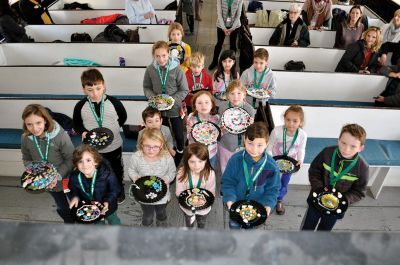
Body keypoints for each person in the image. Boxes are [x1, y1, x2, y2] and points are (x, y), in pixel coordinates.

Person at [73, 68, 127, 204]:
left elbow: (123, 117)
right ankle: (100, 191)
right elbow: (77, 124)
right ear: (84, 89)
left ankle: (119, 190)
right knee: (97, 171)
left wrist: (113, 130)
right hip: (92, 149)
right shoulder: (80, 106)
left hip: (114, 145)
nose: (95, 93)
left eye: (98, 88)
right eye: (90, 90)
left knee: (116, 169)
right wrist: (84, 131)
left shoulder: (114, 102)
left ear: (104, 86)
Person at [301, 124, 369, 231]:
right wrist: (319, 189)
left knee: (325, 230)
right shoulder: (326, 152)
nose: (346, 149)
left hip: (336, 209)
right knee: (308, 226)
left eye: (353, 146)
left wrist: (343, 199)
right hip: (316, 201)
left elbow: (359, 191)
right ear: (338, 140)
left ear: (361, 148)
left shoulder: (363, 167)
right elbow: (314, 171)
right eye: (343, 143)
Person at [221, 122, 281, 229]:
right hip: (236, 204)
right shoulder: (235, 159)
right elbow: (228, 182)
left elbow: (273, 189)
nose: (254, 149)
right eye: (250, 143)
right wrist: (230, 199)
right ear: (244, 140)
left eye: (260, 145)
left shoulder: (271, 166)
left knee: (251, 231)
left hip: (258, 207)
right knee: (234, 227)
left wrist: (268, 205)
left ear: (267, 144)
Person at [21, 104, 74, 223]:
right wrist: (38, 175)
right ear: (25, 123)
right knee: (62, 207)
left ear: (45, 120)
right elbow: (26, 158)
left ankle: (82, 225)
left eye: (38, 123)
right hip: (49, 183)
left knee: (75, 203)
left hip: (67, 179)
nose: (34, 128)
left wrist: (57, 176)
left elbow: (71, 159)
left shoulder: (60, 136)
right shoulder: (25, 138)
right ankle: (70, 224)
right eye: (29, 124)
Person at [143, 41, 189, 166]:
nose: (161, 59)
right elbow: (146, 87)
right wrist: (153, 97)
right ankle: (167, 152)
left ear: (169, 53)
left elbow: (185, 90)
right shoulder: (150, 69)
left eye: (163, 55)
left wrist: (172, 100)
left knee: (179, 135)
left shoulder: (177, 69)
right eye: (157, 56)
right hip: (158, 109)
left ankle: (180, 151)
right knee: (164, 134)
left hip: (174, 107)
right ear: (153, 56)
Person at [127, 128, 176, 227]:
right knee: (147, 216)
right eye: (147, 146)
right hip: (144, 195)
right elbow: (131, 170)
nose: (151, 150)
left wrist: (167, 178)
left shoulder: (167, 157)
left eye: (155, 147)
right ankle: (147, 229)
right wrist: (135, 177)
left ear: (161, 145)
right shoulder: (136, 157)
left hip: (162, 194)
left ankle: (161, 221)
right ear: (141, 144)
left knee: (161, 212)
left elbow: (172, 171)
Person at [266, 105, 307, 215]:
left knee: (284, 182)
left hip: (290, 164)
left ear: (301, 122)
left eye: (295, 121)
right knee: (271, 179)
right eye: (288, 120)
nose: (291, 123)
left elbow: (301, 149)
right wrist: (271, 159)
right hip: (274, 162)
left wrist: (300, 159)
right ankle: (268, 198)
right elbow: (269, 146)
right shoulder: (277, 131)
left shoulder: (302, 135)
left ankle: (279, 199)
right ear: (284, 119)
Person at [68, 145, 122, 225]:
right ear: (76, 164)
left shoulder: (106, 174)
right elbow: (73, 190)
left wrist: (107, 201)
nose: (84, 165)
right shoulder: (74, 177)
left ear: (95, 161)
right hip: (91, 208)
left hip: (108, 206)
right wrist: (75, 197)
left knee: (114, 221)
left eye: (88, 160)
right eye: (80, 161)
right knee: (99, 225)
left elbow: (115, 189)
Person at [175, 143, 216, 229]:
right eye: (192, 161)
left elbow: (211, 192)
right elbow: (179, 192)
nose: (196, 166)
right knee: (189, 224)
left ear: (206, 160)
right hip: (187, 209)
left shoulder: (210, 174)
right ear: (186, 161)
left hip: (203, 209)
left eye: (200, 161)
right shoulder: (181, 173)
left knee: (201, 223)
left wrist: (201, 201)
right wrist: (190, 201)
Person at [218, 80, 255, 174]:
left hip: (243, 145)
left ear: (244, 94)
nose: (236, 97)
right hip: (226, 144)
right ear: (227, 95)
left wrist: (251, 126)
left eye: (239, 93)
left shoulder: (249, 110)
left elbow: (251, 133)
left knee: (241, 168)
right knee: (225, 168)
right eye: (232, 93)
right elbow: (219, 127)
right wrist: (222, 128)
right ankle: (227, 184)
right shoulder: (222, 107)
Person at [186, 91, 220, 169]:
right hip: (195, 154)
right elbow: (189, 138)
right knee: (195, 171)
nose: (203, 105)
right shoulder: (191, 118)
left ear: (212, 105)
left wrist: (222, 130)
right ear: (195, 105)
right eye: (199, 103)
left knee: (210, 171)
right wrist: (189, 132)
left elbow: (218, 136)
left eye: (206, 102)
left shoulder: (216, 118)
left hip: (211, 153)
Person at [208, 0, 244, 70]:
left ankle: (232, 64)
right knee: (219, 43)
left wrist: (232, 28)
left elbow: (238, 15)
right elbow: (219, 14)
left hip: (235, 25)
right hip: (221, 24)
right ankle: (214, 61)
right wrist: (224, 28)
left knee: (233, 45)